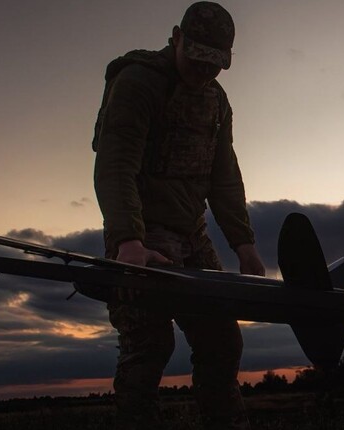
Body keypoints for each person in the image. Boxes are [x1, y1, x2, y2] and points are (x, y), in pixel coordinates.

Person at [92, 2, 264, 429]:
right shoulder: (137, 83)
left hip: (192, 234)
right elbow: (116, 164)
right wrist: (128, 242)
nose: (204, 72)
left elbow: (224, 177)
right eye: (197, 58)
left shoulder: (217, 101)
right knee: (149, 345)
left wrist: (244, 245)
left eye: (214, 64)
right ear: (176, 38)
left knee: (222, 341)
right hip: (141, 235)